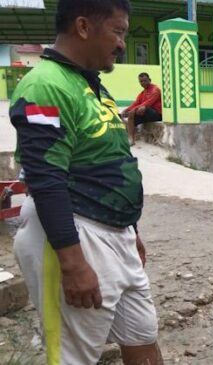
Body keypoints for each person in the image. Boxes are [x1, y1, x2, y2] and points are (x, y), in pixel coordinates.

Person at [9, 0, 163, 363]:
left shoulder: (91, 85)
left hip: (117, 235)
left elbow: (112, 163)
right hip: (77, 233)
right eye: (119, 31)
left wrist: (132, 230)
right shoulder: (45, 85)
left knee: (143, 336)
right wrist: (73, 262)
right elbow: (45, 178)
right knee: (73, 356)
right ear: (83, 27)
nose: (123, 43)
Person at [121, 72, 162, 146]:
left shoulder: (155, 90)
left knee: (142, 108)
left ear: (149, 80)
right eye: (141, 81)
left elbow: (148, 103)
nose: (143, 83)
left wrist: (134, 110)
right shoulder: (143, 93)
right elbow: (136, 103)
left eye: (145, 80)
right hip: (146, 114)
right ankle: (131, 139)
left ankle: (131, 116)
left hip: (157, 114)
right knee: (130, 115)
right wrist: (126, 110)